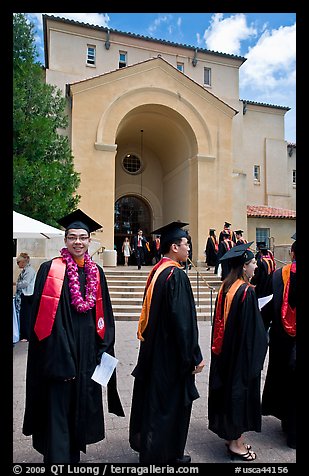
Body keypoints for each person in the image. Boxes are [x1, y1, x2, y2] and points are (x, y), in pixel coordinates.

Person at [22, 209, 124, 464]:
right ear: (65, 241)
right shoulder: (50, 269)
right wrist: (62, 354)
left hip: (87, 355)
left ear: (89, 241)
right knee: (58, 407)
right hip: (60, 356)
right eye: (72, 237)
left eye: (82, 237)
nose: (77, 241)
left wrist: (103, 347)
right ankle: (57, 459)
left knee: (80, 406)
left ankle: (73, 456)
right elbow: (44, 320)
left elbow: (105, 315)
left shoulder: (96, 273)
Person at [129, 221, 205, 464]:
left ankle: (152, 452)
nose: (189, 250)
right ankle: (167, 456)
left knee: (156, 403)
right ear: (174, 247)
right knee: (170, 407)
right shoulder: (176, 276)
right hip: (172, 357)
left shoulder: (158, 271)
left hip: (157, 352)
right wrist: (193, 357)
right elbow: (183, 324)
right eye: (186, 245)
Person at [208, 242, 268, 461]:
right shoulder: (246, 292)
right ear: (243, 266)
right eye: (252, 263)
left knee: (228, 394)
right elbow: (254, 333)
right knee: (238, 396)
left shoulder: (226, 287)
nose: (256, 267)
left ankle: (230, 436)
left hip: (225, 355)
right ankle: (236, 443)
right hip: (241, 358)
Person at [261, 234, 296, 449]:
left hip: (282, 340)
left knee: (285, 380)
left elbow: (265, 309)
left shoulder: (277, 276)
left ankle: (286, 423)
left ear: (292, 253)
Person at [251, 243, 276, 331]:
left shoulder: (261, 262)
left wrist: (252, 282)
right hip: (270, 288)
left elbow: (257, 276)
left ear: (260, 252)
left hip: (262, 288)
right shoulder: (271, 261)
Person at [14, 252, 36, 342]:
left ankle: (26, 335)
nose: (18, 264)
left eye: (18, 262)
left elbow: (25, 283)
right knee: (25, 315)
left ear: (23, 262)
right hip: (26, 294)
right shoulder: (26, 270)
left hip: (28, 294)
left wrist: (16, 284)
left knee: (26, 315)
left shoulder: (29, 270)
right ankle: (25, 334)